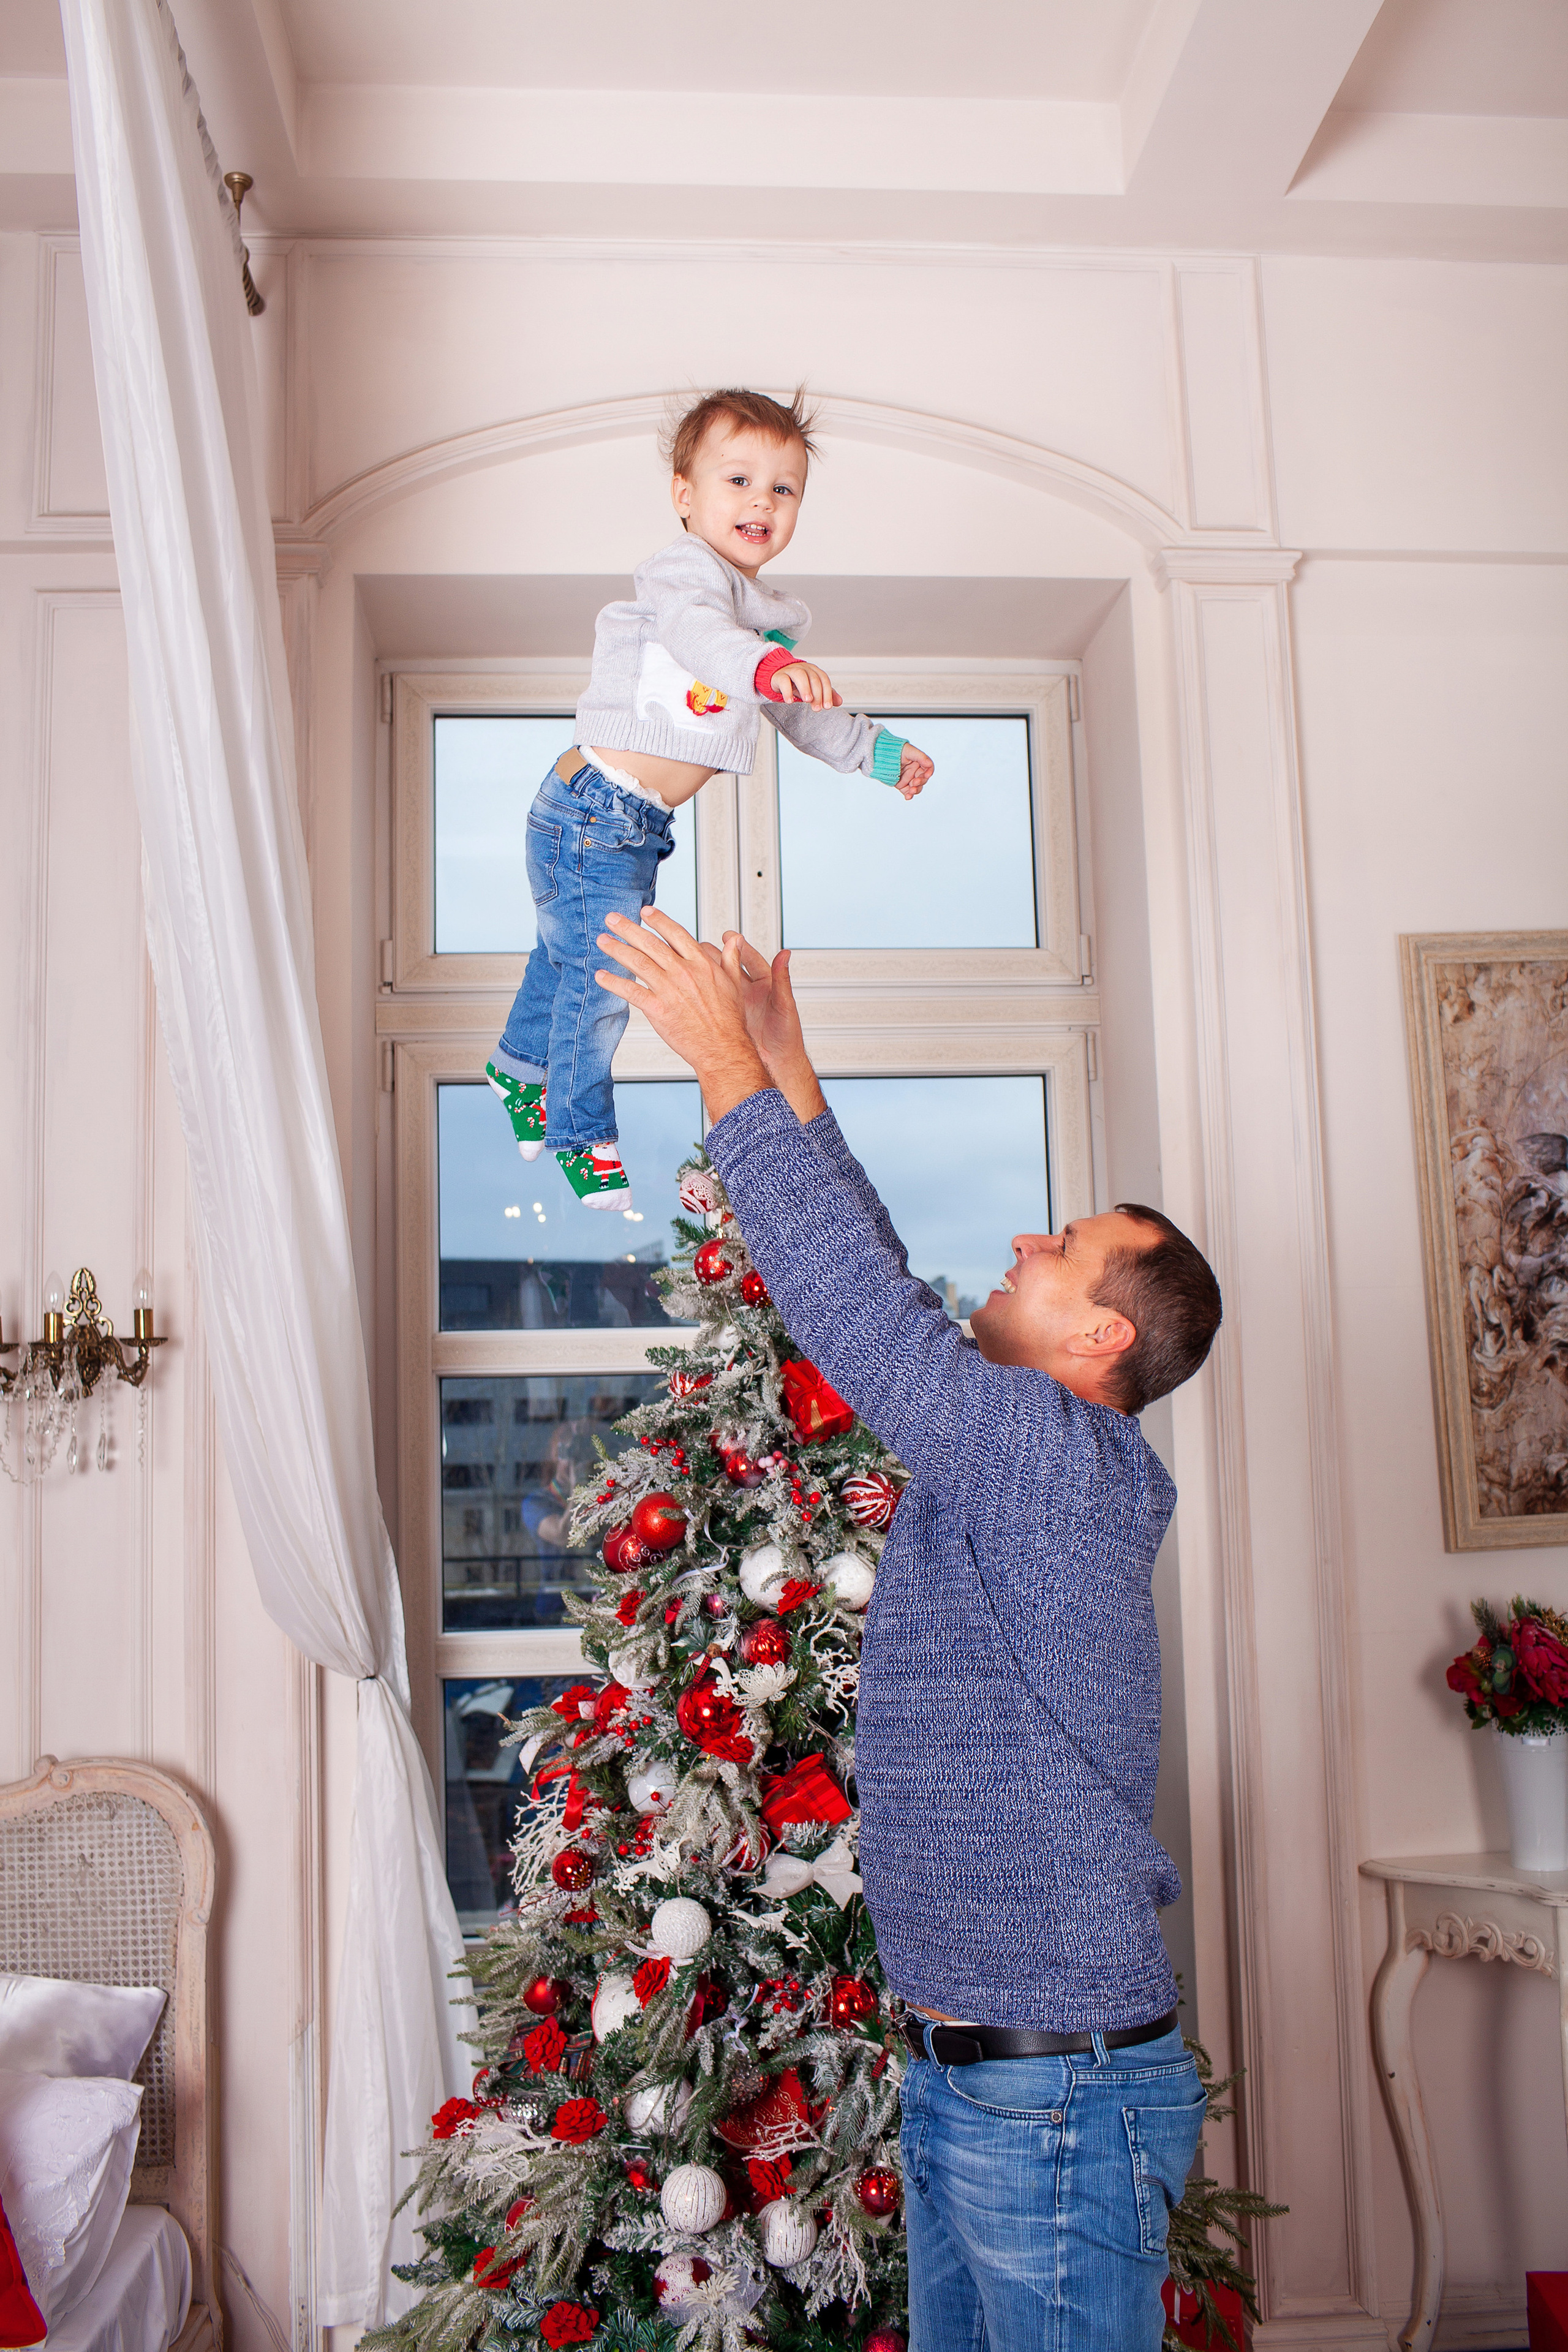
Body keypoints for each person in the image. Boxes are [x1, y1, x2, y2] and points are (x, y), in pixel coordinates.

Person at [594, 905, 1225, 2352]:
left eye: (1058, 1247)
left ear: (1099, 1340)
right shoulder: (1013, 1446)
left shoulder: (1061, 1462)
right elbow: (875, 1277)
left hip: (1050, 2097)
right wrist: (783, 1067)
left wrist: (721, 1079)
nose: (1021, 1237)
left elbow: (862, 1320)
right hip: (973, 2075)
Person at [484, 386, 935, 1212]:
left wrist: (874, 750)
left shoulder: (764, 621)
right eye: (738, 479)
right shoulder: (685, 577)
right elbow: (705, 641)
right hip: (595, 808)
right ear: (684, 496)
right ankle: (580, 1134)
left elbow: (796, 708)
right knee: (607, 973)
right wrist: (764, 667)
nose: (762, 499)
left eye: (784, 487)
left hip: (625, 823)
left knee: (566, 958)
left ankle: (518, 1070)